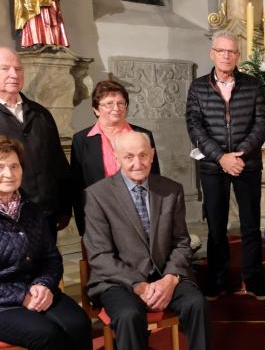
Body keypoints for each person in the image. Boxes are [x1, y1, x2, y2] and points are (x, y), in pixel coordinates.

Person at [83, 132, 210, 350]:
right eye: (129, 156)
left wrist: (170, 279)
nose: (137, 163)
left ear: (152, 155)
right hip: (118, 281)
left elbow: (181, 242)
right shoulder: (96, 195)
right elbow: (100, 256)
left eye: (143, 155)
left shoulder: (171, 189)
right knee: (129, 315)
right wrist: (139, 285)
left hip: (164, 275)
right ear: (116, 157)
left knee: (197, 303)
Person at [186, 30, 265, 300]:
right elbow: (194, 126)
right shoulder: (198, 87)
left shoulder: (254, 85)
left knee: (250, 226)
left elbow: (262, 123)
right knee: (216, 227)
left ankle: (254, 280)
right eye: (221, 51)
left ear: (238, 55)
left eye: (231, 51)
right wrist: (220, 157)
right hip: (213, 166)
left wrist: (240, 154)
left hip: (247, 164)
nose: (226, 55)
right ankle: (218, 280)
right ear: (212, 53)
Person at [0, 136, 92, 350]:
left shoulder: (32, 210)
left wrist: (43, 284)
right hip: (3, 303)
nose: (9, 173)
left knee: (78, 324)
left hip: (38, 290)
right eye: (1, 167)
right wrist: (22, 295)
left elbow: (51, 258)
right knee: (47, 335)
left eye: (14, 166)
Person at [70, 80, 160, 235]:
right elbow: (77, 186)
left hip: (138, 212)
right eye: (109, 103)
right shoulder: (81, 139)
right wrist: (82, 225)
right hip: (99, 215)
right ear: (96, 109)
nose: (116, 108)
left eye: (121, 103)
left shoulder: (142, 135)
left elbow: (154, 176)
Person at [0, 47, 70, 234]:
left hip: (45, 216)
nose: (14, 74)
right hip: (6, 220)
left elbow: (58, 163)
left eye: (18, 69)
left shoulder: (41, 114)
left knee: (49, 262)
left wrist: (64, 208)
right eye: (5, 69)